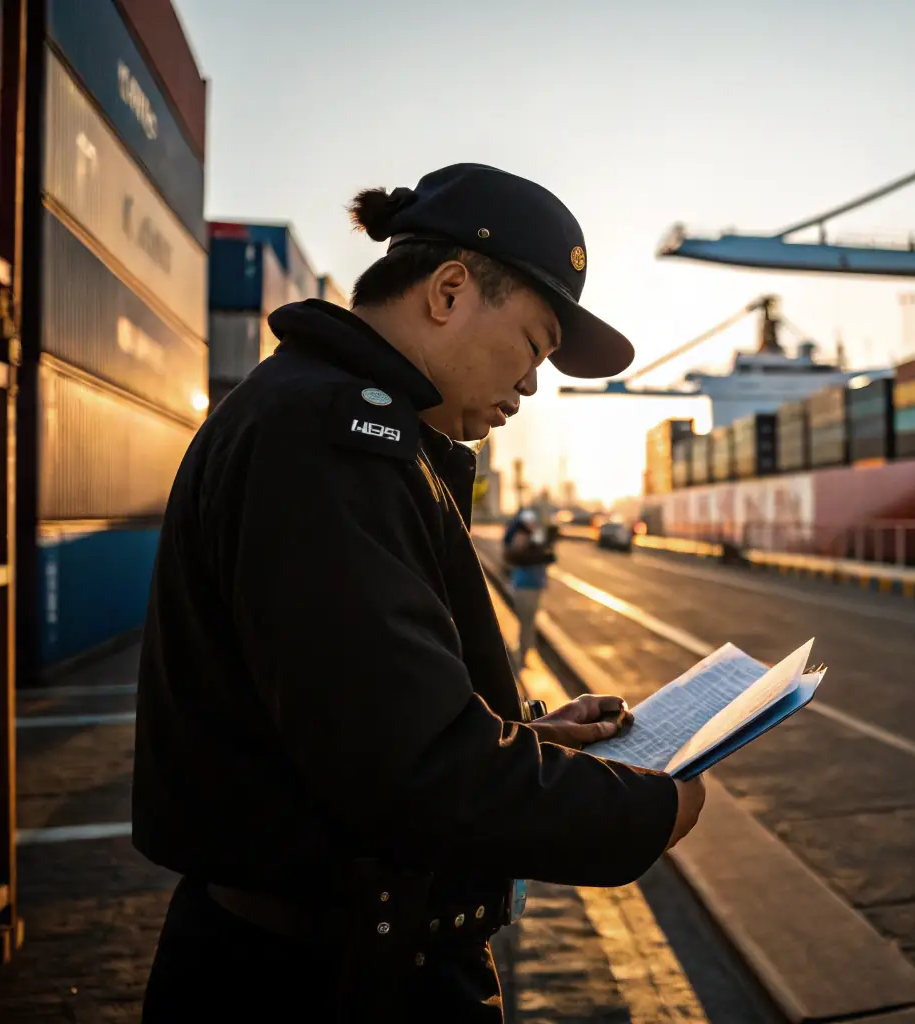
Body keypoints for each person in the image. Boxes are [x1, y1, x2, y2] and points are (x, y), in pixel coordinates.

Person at [131, 163, 707, 1023]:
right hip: (324, 986)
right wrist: (652, 809)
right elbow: (411, 774)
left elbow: (356, 724)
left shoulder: (328, 421)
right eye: (533, 345)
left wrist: (523, 740)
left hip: (312, 958)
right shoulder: (330, 442)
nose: (531, 385)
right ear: (447, 291)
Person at [501, 508, 554, 671]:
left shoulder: (535, 537)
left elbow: (547, 556)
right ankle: (522, 656)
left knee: (529, 622)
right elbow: (519, 556)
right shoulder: (521, 537)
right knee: (526, 622)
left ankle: (525, 653)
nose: (532, 524)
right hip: (524, 586)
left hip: (534, 585)